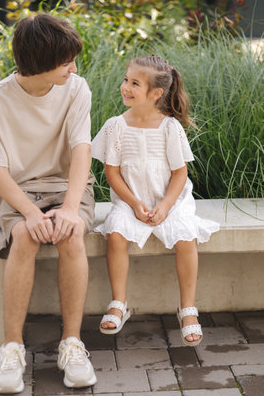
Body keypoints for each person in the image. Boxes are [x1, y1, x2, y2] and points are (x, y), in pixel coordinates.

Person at [0, 13, 97, 393]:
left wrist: (69, 208)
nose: (73, 68)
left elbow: (82, 153)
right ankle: (11, 348)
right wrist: (30, 213)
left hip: (68, 185)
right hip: (18, 190)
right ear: (40, 61)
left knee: (72, 234)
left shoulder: (76, 88)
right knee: (26, 237)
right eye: (66, 61)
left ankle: (72, 344)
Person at [91, 55, 220, 346]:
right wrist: (135, 204)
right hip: (130, 198)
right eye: (126, 80)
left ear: (156, 93)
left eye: (134, 83)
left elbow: (179, 174)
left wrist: (165, 206)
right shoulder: (116, 126)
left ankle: (187, 308)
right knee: (115, 233)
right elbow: (111, 173)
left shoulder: (169, 127)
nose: (125, 86)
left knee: (186, 237)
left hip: (170, 199)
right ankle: (118, 302)